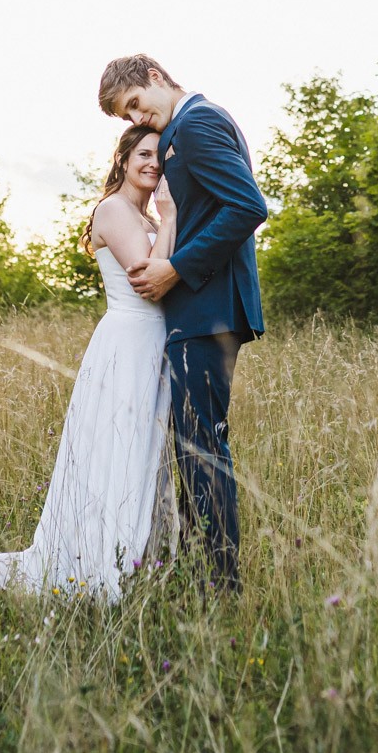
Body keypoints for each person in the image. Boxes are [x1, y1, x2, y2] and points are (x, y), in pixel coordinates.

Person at [0, 124, 177, 601]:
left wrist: (164, 218)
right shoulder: (114, 209)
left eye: (159, 157)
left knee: (141, 451)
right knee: (116, 449)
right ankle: (101, 557)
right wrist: (169, 219)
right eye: (143, 155)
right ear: (123, 160)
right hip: (128, 342)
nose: (153, 164)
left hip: (154, 343)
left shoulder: (145, 215)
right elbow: (148, 278)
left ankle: (140, 556)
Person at [98, 54, 267, 593]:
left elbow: (248, 206)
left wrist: (176, 268)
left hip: (206, 309)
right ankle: (200, 573)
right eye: (127, 117)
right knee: (194, 445)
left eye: (134, 104)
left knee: (202, 448)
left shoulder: (196, 123)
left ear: (154, 77)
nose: (136, 119)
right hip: (202, 310)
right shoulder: (188, 125)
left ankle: (218, 586)